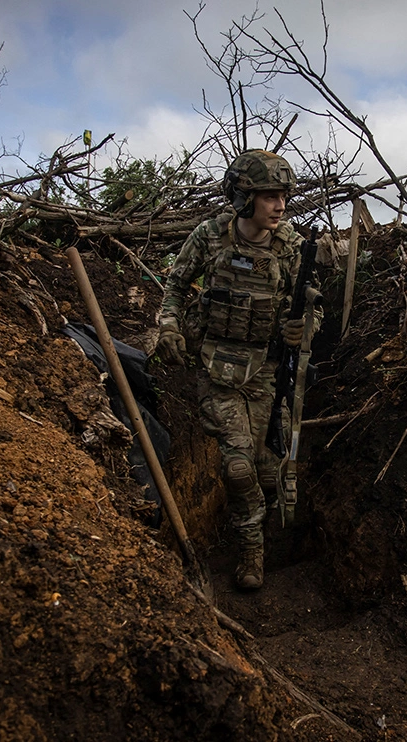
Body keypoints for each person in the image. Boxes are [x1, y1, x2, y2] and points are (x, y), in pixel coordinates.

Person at [155, 149, 315, 590]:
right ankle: (250, 551)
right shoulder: (209, 237)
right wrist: (168, 327)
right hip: (217, 367)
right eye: (269, 196)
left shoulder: (293, 247)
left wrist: (302, 329)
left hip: (265, 369)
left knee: (266, 467)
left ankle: (264, 531)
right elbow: (174, 285)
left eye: (283, 195)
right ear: (244, 197)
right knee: (238, 467)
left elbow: (308, 306)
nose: (280, 205)